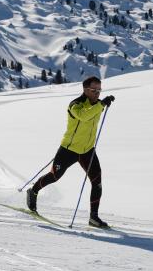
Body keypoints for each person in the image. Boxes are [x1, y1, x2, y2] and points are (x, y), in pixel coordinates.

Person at [26, 76, 115, 228]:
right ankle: (33, 190)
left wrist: (100, 105)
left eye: (99, 90)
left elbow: (93, 113)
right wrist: (101, 105)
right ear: (85, 90)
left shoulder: (97, 104)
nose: (97, 93)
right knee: (54, 176)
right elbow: (85, 116)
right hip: (69, 150)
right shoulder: (75, 105)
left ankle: (93, 218)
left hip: (87, 151)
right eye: (94, 90)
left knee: (97, 182)